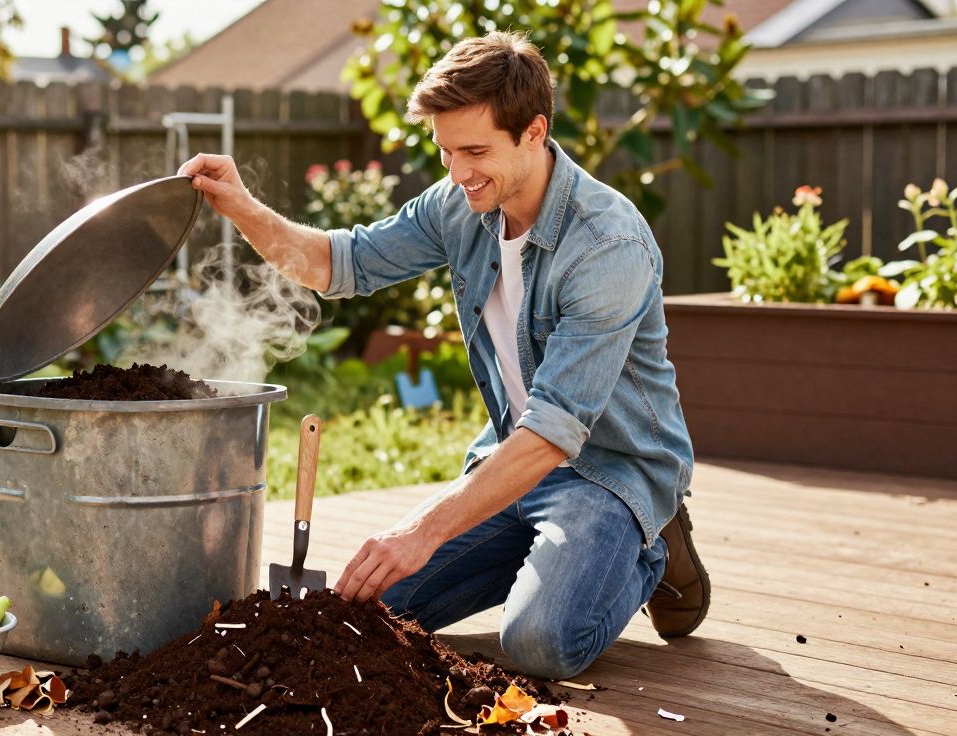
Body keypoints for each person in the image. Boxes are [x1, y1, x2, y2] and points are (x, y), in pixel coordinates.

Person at [178, 30, 708, 681]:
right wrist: (241, 207)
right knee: (365, 613)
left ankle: (650, 543)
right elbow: (335, 264)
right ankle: (550, 557)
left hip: (607, 470)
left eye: (476, 151)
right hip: (510, 463)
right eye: (445, 152)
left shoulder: (607, 246)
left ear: (535, 131)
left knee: (540, 642)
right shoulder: (460, 204)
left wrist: (423, 530)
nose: (457, 174)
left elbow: (554, 430)